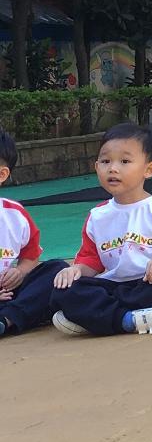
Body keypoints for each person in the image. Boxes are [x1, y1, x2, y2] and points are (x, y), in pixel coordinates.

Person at [51, 123, 152, 335]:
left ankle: (100, 318)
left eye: (125, 161)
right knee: (63, 288)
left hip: (150, 283)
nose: (113, 168)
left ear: (149, 169)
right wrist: (75, 271)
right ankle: (130, 320)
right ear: (96, 167)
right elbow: (91, 261)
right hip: (113, 287)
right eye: (105, 161)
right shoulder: (97, 216)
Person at [0, 129, 68, 337]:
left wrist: (20, 272)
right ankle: (16, 317)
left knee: (58, 270)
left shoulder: (15, 214)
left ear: (2, 174)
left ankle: (6, 320)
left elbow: (30, 256)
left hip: (8, 294)